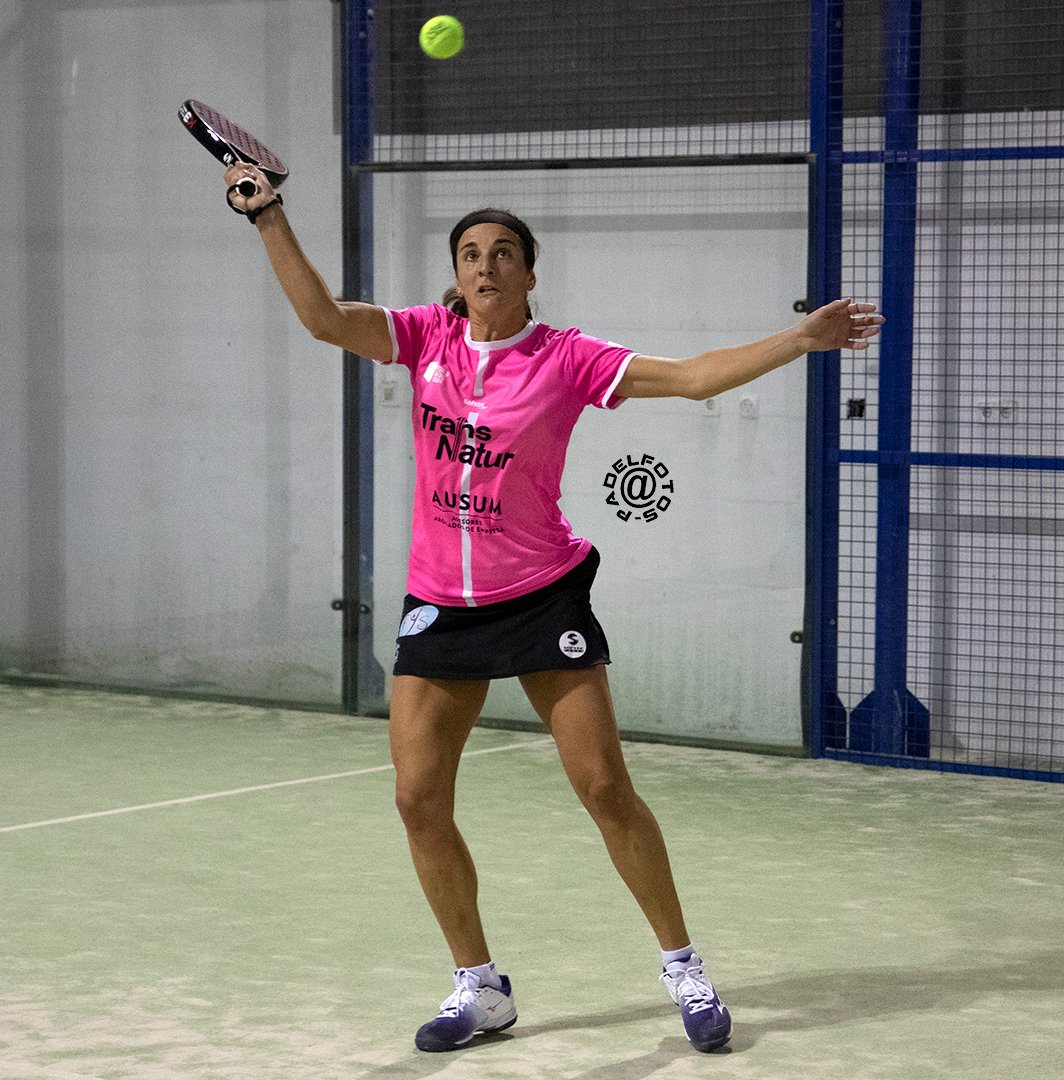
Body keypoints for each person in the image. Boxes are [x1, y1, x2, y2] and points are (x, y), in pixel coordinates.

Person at [221, 163, 883, 1054]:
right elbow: (323, 318)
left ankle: (683, 966)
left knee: (605, 787)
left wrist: (800, 339)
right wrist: (268, 214)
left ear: (531, 275)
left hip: (540, 596)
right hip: (441, 605)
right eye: (469, 254)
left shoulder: (566, 358)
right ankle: (479, 988)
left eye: (503, 254)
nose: (485, 267)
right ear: (455, 274)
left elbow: (691, 378)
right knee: (418, 800)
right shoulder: (422, 340)